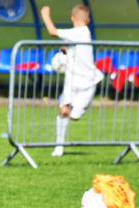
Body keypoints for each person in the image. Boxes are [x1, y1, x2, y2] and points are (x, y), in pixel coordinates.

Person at [40, 5, 104, 157]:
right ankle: (59, 147)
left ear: (72, 18)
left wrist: (45, 15)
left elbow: (52, 32)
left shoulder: (81, 32)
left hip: (87, 83)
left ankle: (83, 106)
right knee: (63, 112)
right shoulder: (79, 34)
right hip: (71, 81)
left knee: (74, 117)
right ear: (88, 20)